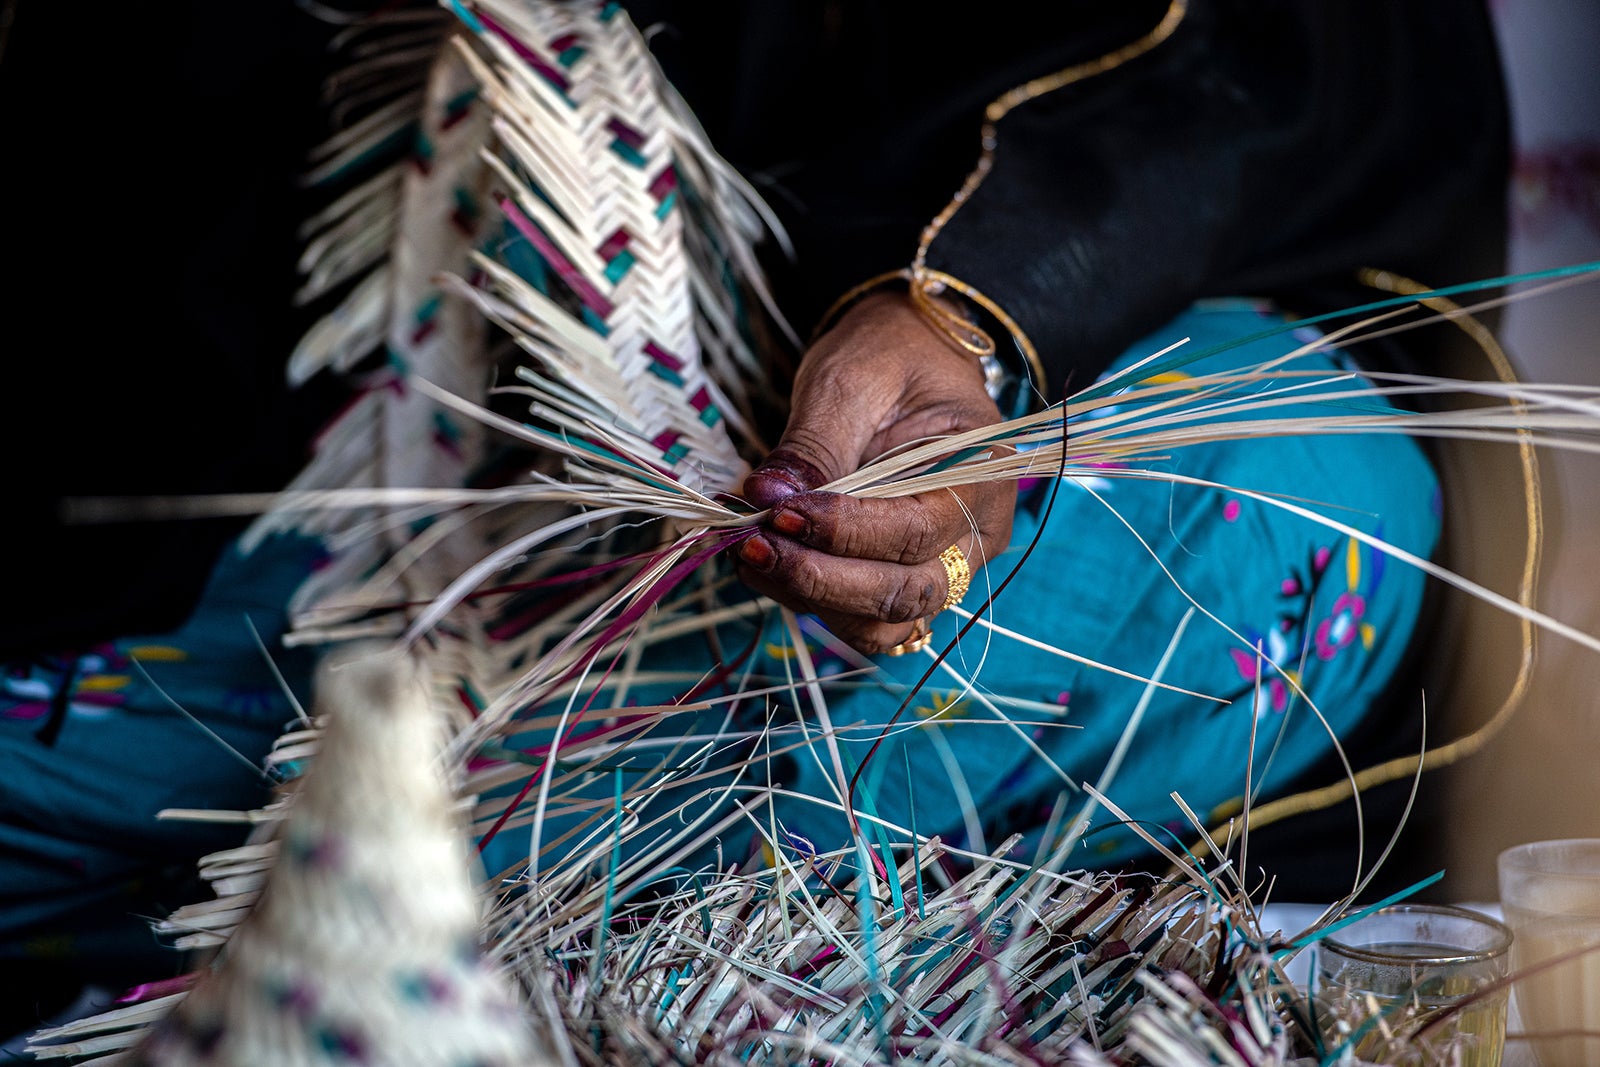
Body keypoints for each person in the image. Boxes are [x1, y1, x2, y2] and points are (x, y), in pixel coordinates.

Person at [2, 0, 1509, 1038]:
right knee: (136, 731)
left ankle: (346, 921)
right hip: (320, 509)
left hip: (1053, 394)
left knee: (1249, 491)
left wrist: (962, 311)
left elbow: (1257, 75)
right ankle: (292, 899)